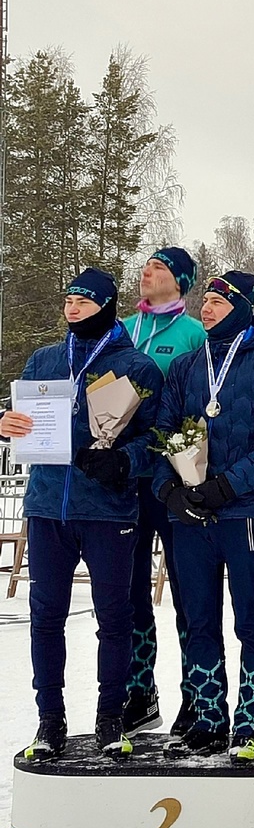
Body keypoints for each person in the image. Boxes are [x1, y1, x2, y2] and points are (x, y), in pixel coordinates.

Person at [0, 269, 163, 761]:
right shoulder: (45, 359)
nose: (72, 309)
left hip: (108, 510)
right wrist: (4, 425)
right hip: (48, 508)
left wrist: (123, 462)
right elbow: (19, 421)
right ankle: (49, 720)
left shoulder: (138, 367)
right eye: (68, 299)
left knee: (115, 618)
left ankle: (110, 718)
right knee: (45, 617)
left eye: (84, 302)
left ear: (108, 306)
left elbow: (159, 441)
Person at [153, 271, 254, 760]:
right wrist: (171, 491)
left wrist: (228, 485)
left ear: (239, 308)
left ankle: (249, 722)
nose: (208, 308)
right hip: (188, 517)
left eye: (219, 301)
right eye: (206, 300)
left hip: (246, 513)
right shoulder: (186, 368)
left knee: (250, 619)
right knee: (198, 619)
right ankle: (210, 718)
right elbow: (162, 433)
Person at [118, 246, 205, 738]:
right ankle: (139, 692)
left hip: (173, 480)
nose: (146, 272)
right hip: (125, 482)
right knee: (129, 594)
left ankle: (196, 694)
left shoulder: (193, 334)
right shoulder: (124, 330)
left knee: (189, 594)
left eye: (159, 268)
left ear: (179, 281)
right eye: (145, 266)